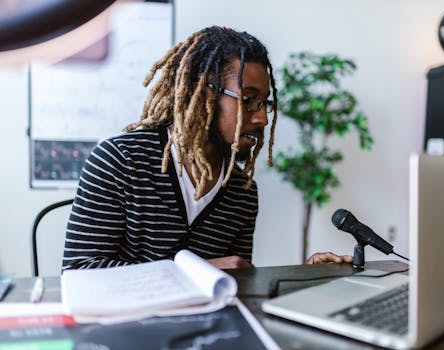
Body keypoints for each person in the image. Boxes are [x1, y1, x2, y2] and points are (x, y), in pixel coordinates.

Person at [62, 26, 352, 270]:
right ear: (200, 95)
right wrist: (197, 270)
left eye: (265, 104)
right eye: (247, 100)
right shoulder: (119, 161)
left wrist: (303, 278)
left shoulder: (242, 192)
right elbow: (79, 271)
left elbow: (231, 293)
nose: (262, 118)